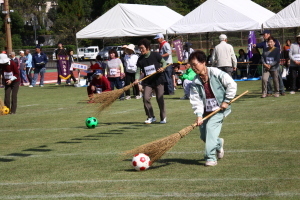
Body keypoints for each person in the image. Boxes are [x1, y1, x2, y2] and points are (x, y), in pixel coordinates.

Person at [189, 50, 237, 166]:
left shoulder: (216, 73)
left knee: (211, 129)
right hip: (206, 111)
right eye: (191, 66)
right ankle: (219, 143)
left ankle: (210, 158)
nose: (193, 68)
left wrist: (226, 101)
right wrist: (199, 115)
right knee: (205, 136)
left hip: (219, 109)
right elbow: (197, 100)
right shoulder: (195, 82)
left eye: (195, 64)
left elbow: (232, 85)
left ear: (203, 62)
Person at [134, 38, 167, 124]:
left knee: (160, 99)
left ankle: (163, 118)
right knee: (145, 98)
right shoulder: (140, 59)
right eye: (139, 48)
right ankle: (151, 116)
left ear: (147, 47)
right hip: (148, 82)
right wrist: (136, 79)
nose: (140, 50)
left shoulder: (155, 55)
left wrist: (162, 68)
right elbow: (137, 71)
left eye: (142, 48)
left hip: (158, 80)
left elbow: (164, 63)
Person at [254, 30, 285, 96]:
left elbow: (278, 53)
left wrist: (272, 63)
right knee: (266, 79)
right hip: (266, 65)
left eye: (264, 34)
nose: (263, 36)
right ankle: (269, 91)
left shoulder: (275, 41)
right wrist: (255, 45)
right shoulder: (264, 43)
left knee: (277, 77)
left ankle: (281, 90)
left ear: (268, 34)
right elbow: (258, 46)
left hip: (275, 64)